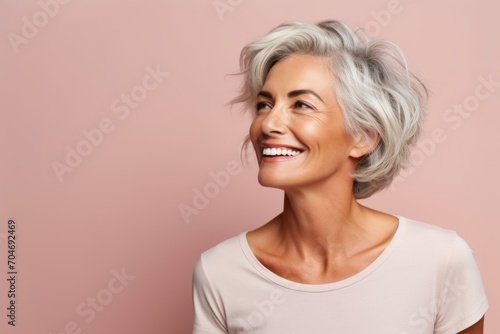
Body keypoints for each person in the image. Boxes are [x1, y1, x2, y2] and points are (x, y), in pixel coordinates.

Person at [192, 20, 488, 333]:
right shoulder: (220, 272)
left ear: (363, 137)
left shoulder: (441, 260)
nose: (268, 124)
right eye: (265, 104)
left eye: (301, 104)